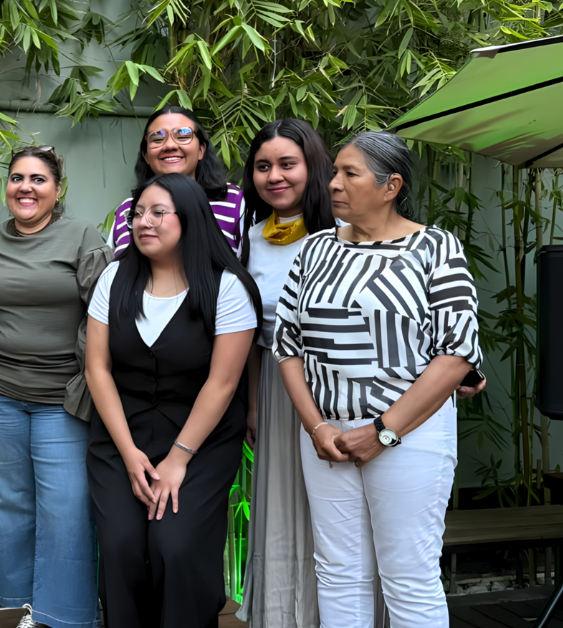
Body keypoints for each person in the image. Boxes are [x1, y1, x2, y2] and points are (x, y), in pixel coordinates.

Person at [273, 131, 483, 627]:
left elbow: (456, 354)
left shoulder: (436, 248)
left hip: (409, 436)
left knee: (408, 576)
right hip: (327, 436)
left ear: (391, 186)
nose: (334, 184)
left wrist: (384, 430)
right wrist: (316, 427)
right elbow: (287, 346)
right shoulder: (314, 249)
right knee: (339, 573)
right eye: (334, 172)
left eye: (350, 173)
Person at [85, 172, 260, 627]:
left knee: (175, 546)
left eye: (159, 213)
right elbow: (97, 369)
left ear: (191, 219)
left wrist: (179, 459)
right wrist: (128, 454)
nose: (144, 222)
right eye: (138, 213)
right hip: (122, 437)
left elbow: (222, 383)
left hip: (199, 440)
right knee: (122, 545)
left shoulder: (226, 287)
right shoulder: (113, 278)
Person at [0, 146, 106, 628]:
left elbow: (102, 313)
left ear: (57, 189)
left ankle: (63, 618)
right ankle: (15, 610)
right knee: (6, 506)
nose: (26, 188)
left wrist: (90, 380)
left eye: (38, 180)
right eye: (17, 178)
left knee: (66, 508)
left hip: (62, 397)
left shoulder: (84, 237)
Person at [235, 119, 336, 627]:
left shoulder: (346, 231)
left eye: (287, 164)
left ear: (313, 167)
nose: (274, 176)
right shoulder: (251, 238)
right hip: (276, 391)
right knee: (283, 506)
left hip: (339, 387)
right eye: (263, 166)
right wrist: (254, 402)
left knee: (337, 510)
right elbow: (252, 334)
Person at [108, 106, 246, 258]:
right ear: (146, 155)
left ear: (201, 149)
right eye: (157, 139)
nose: (169, 145)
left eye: (182, 136)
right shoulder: (127, 212)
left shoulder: (235, 203)